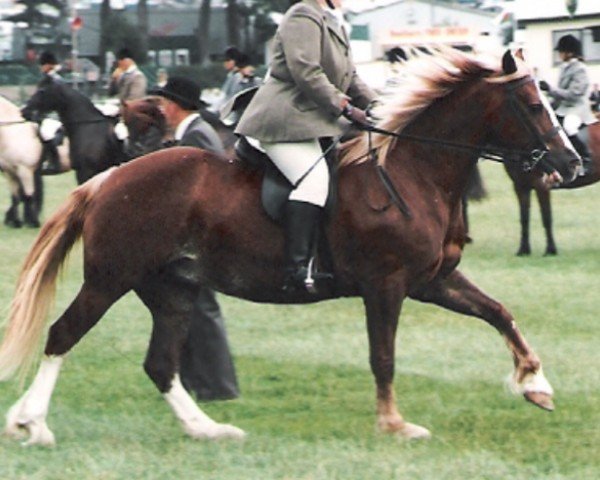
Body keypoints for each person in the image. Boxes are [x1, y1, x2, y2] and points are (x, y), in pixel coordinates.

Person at [235, 0, 376, 293]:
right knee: (313, 181)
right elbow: (306, 71)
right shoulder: (303, 14)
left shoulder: (333, 22)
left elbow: (351, 77)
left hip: (311, 122)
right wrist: (346, 108)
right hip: (284, 119)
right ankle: (296, 270)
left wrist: (377, 105)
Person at [150, 76, 239, 401]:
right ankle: (193, 382)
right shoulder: (189, 133)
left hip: (203, 236)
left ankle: (218, 387)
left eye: (163, 103)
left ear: (173, 105)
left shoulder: (198, 135)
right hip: (190, 235)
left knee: (202, 306)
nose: (161, 109)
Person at [539, 34, 596, 169]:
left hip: (577, 108)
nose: (559, 54)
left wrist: (550, 89)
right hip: (563, 107)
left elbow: (574, 94)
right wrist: (545, 105)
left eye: (561, 51)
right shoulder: (564, 68)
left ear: (570, 52)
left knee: (569, 126)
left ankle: (585, 157)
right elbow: (559, 95)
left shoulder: (580, 69)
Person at [22, 51, 65, 174]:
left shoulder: (55, 80)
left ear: (49, 65)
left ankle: (54, 163)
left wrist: (34, 107)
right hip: (44, 114)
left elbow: (44, 98)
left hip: (54, 115)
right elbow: (37, 97)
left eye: (43, 65)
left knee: (47, 133)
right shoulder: (47, 80)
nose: (41, 68)